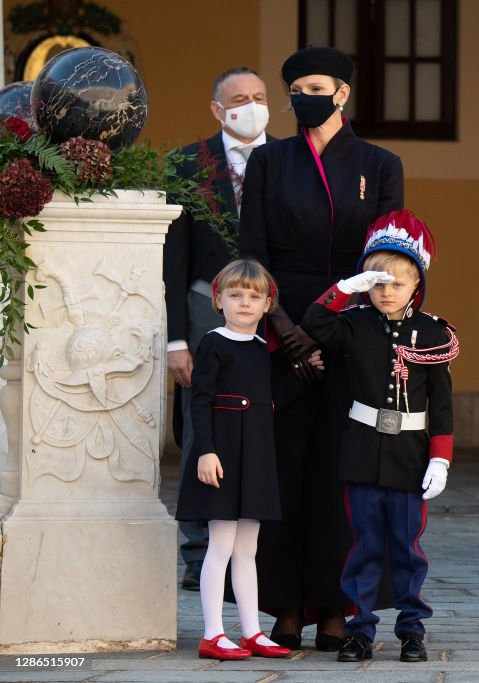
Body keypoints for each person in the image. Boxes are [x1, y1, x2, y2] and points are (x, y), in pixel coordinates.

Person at [239, 46, 404, 650]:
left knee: (343, 474)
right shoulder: (269, 162)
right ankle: (283, 604)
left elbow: (386, 260)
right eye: (298, 86)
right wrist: (286, 330)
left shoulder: (380, 163)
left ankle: (339, 606)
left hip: (352, 327)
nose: (307, 94)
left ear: (342, 93)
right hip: (280, 328)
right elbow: (251, 253)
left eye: (319, 85)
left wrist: (332, 325)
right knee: (284, 468)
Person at [301, 209, 457, 663]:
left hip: (410, 457)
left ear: (417, 286)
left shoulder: (432, 334)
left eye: (397, 283)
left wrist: (440, 458)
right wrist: (342, 290)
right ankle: (360, 629)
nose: (386, 292)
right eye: (377, 282)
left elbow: (442, 404)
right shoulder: (354, 323)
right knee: (364, 546)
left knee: (407, 550)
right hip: (363, 453)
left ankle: (411, 629)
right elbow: (315, 324)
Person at [165, 66, 272, 591]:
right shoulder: (186, 163)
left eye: (258, 97)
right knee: (202, 423)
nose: (250, 105)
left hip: (275, 312)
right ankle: (197, 552)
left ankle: (259, 551)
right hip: (206, 306)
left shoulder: (290, 159)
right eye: (238, 99)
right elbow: (174, 259)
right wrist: (177, 338)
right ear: (216, 108)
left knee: (264, 428)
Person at [175, 259, 291, 661]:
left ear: (267, 303)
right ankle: (212, 633)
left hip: (253, 459)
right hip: (221, 457)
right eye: (236, 295)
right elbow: (201, 401)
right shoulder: (213, 342)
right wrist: (205, 451)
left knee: (247, 549)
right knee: (220, 545)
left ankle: (253, 631)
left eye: (254, 297)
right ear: (218, 299)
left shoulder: (263, 350)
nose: (244, 303)